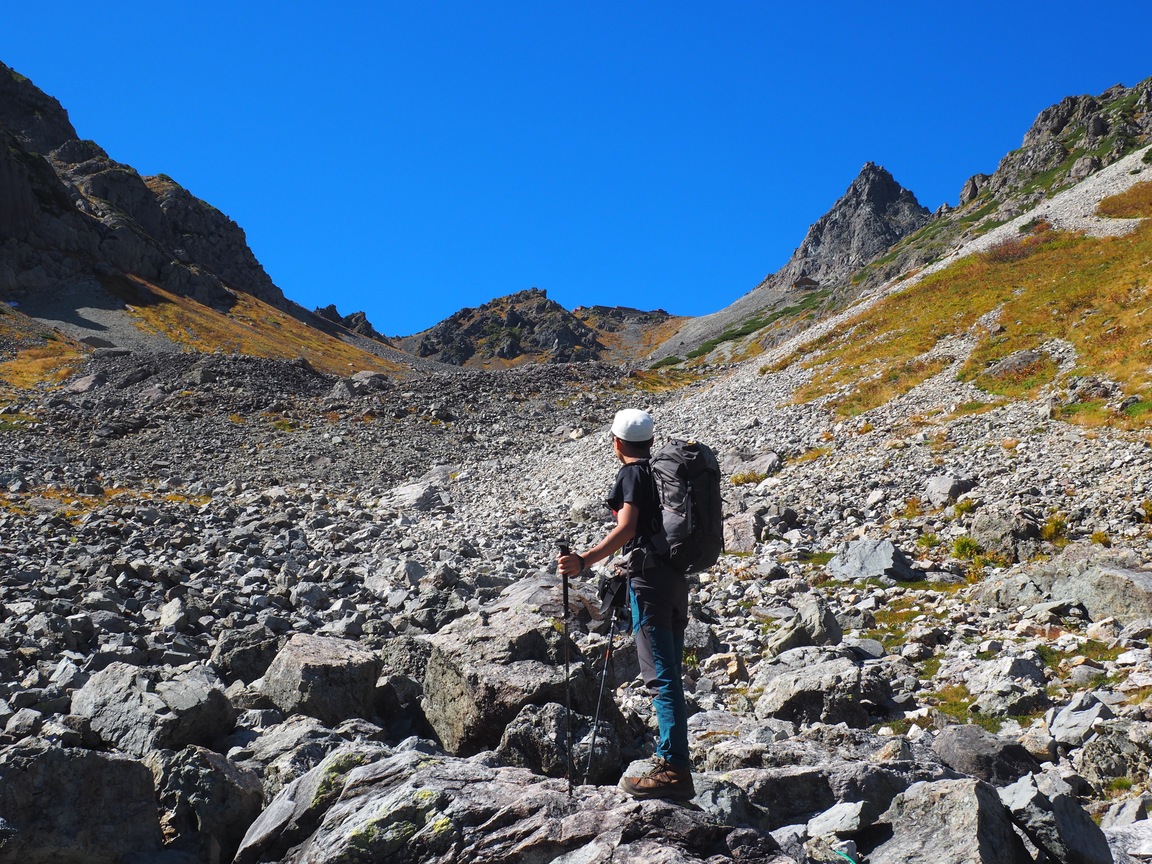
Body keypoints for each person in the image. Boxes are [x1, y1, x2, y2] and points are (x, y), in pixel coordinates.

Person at [557, 408, 694, 801]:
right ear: (650, 441)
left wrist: (584, 560)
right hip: (672, 579)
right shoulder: (663, 473)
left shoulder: (632, 474)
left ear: (616, 443)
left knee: (659, 676)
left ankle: (674, 767)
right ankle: (674, 760)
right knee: (669, 671)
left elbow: (628, 527)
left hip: (649, 584)